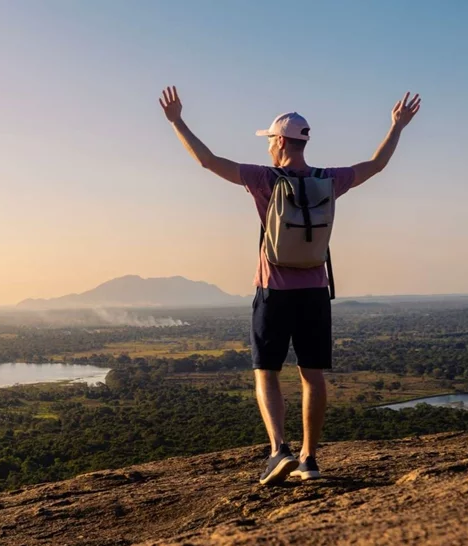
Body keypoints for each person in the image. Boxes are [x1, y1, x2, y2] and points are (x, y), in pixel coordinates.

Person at [158, 86, 420, 484]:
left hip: (273, 289)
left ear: (280, 141)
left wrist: (178, 122)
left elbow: (208, 161)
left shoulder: (263, 179)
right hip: (315, 290)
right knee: (312, 375)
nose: (267, 148)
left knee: (266, 371)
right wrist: (396, 127)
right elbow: (376, 165)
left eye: (269, 141)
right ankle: (309, 461)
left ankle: (278, 450)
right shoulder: (328, 180)